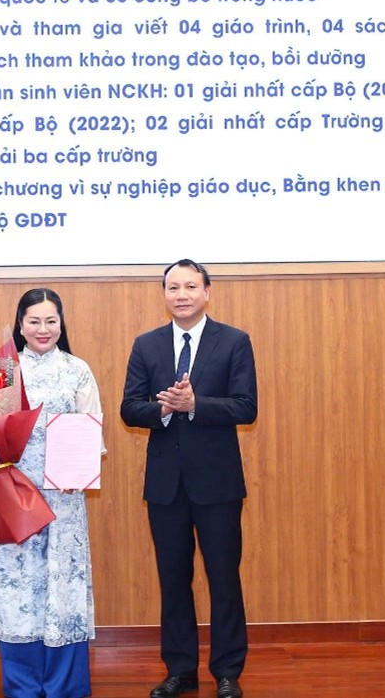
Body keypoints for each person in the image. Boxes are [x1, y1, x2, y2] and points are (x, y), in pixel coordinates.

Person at [120, 260, 257, 698]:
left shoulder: (234, 341)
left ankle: (228, 671)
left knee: (224, 578)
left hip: (218, 482)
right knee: (173, 579)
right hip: (166, 484)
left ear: (206, 292)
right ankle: (180, 670)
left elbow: (246, 406)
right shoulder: (147, 344)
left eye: (191, 286)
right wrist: (162, 409)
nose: (182, 295)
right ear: (164, 294)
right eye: (173, 287)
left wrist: (197, 404)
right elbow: (129, 408)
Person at [0, 288, 102, 698]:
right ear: (20, 325)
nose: (43, 329)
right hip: (13, 495)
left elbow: (91, 431)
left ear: (61, 324)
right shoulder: (2, 372)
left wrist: (80, 469)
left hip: (64, 497)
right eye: (34, 321)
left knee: (62, 587)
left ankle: (65, 687)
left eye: (50, 321)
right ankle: (22, 687)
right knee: (18, 587)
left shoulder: (77, 370)